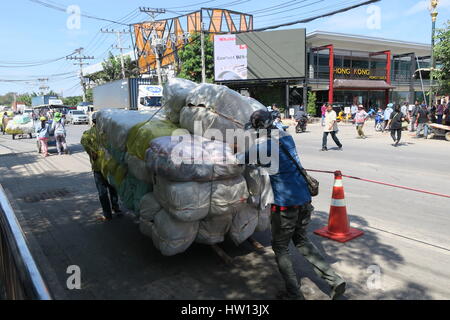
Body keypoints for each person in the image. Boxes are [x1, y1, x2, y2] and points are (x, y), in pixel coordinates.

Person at [240, 110, 346, 300]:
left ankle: (294, 293)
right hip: (304, 199)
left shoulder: (263, 148)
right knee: (301, 240)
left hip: (285, 205)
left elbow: (239, 159)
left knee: (280, 247)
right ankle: (334, 280)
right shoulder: (287, 139)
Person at [81, 113, 121, 221]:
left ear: (93, 122)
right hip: (110, 166)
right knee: (113, 188)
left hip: (98, 167)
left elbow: (83, 142)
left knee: (102, 191)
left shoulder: (88, 134)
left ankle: (107, 215)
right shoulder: (108, 133)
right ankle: (116, 208)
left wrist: (91, 151)